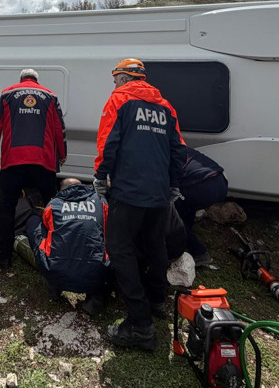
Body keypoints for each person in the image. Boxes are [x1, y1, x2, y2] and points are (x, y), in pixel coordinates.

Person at [94, 58, 187, 351]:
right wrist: (173, 184)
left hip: (129, 190)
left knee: (120, 248)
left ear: (123, 79)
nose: (114, 84)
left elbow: (108, 141)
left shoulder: (119, 100)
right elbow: (179, 149)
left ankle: (139, 324)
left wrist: (100, 175)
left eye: (115, 79)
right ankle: (157, 301)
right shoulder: (166, 107)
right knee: (154, 243)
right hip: (158, 192)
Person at [0, 68, 66, 270]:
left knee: (7, 208)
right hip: (44, 160)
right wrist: (63, 153)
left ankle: (3, 256)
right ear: (36, 80)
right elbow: (59, 128)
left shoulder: (7, 93)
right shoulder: (50, 95)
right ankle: (56, 252)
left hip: (14, 160)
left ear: (21, 79)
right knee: (51, 207)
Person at [26, 178, 110, 315]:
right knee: (107, 240)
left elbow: (45, 232)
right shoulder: (101, 202)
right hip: (96, 273)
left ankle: (54, 285)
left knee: (34, 223)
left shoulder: (53, 204)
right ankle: (96, 296)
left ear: (61, 190)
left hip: (56, 271)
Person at [172, 146, 229, 267]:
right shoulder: (176, 144)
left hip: (203, 184)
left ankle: (199, 253)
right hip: (220, 180)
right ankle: (185, 239)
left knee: (172, 216)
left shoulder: (160, 150)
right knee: (185, 206)